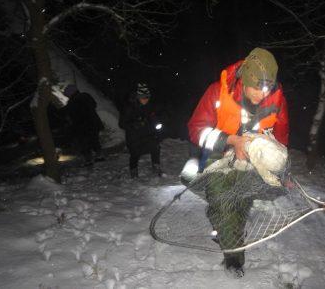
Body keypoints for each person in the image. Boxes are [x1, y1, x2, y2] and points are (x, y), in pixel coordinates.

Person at [181, 47, 289, 277]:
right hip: (217, 157)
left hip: (251, 161)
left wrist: (280, 167)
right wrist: (231, 141)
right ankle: (234, 259)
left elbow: (281, 137)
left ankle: (221, 223)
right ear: (245, 79)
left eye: (268, 87)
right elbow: (195, 129)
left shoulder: (277, 99)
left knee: (241, 205)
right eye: (257, 87)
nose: (263, 93)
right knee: (225, 204)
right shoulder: (216, 92)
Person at [118, 83, 163, 178]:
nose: (146, 100)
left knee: (155, 147)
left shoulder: (149, 106)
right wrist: (134, 125)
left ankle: (156, 166)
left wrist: (156, 124)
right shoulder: (129, 107)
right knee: (135, 153)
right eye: (143, 98)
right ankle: (133, 171)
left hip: (147, 134)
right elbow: (122, 124)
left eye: (147, 98)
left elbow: (153, 117)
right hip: (133, 136)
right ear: (138, 97)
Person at [63, 84, 104, 166]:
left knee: (84, 143)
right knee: (94, 140)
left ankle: (88, 159)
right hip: (92, 123)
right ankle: (99, 155)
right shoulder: (85, 96)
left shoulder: (74, 101)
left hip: (82, 126)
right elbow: (93, 105)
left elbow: (74, 114)